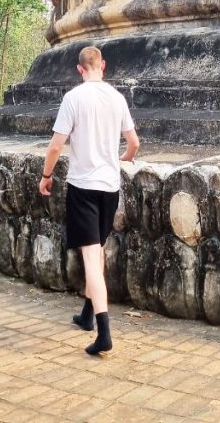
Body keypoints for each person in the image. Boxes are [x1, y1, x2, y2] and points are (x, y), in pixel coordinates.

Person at [39, 45, 139, 356]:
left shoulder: (74, 98)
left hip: (83, 186)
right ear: (103, 66)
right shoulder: (116, 98)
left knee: (91, 258)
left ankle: (104, 331)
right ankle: (86, 313)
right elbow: (134, 143)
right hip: (109, 187)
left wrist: (46, 175)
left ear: (80, 69)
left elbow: (56, 146)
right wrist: (120, 158)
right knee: (98, 251)